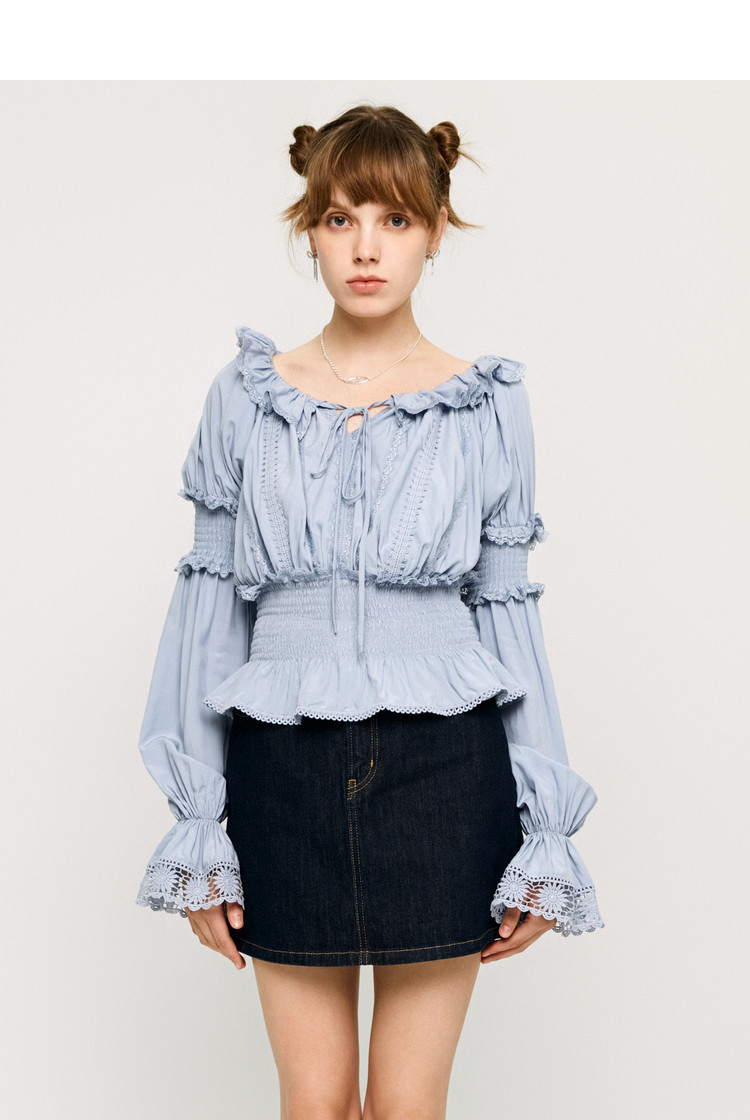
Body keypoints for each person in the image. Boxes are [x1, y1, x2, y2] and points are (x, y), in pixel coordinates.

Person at [135, 104, 603, 1119]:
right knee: (313, 1105)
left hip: (445, 774)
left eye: (395, 219)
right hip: (282, 772)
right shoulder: (245, 397)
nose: (366, 247)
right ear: (308, 228)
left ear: (435, 232)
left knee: (405, 1107)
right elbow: (207, 611)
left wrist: (546, 831)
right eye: (341, 217)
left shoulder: (486, 404)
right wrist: (199, 826)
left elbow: (508, 614)